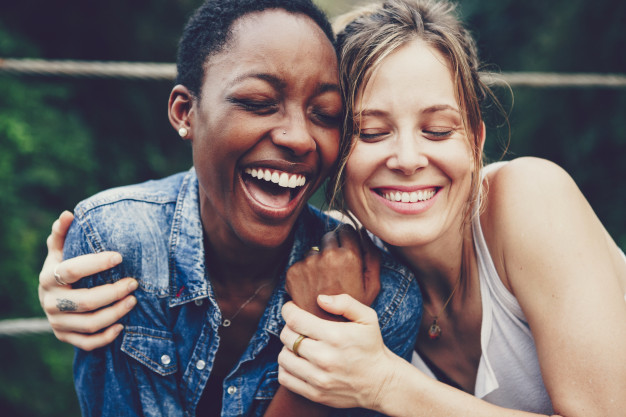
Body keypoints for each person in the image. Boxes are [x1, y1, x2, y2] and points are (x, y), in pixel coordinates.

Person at [37, 0, 422, 416]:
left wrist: (328, 331)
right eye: (258, 102)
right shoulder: (117, 244)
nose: (299, 138)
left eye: (324, 113)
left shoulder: (382, 299)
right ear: (185, 113)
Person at [275, 1, 626, 416]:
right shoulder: (346, 265)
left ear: (476, 141)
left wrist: (387, 384)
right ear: (335, 155)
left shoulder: (531, 196)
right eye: (371, 133)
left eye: (438, 131)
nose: (407, 159)